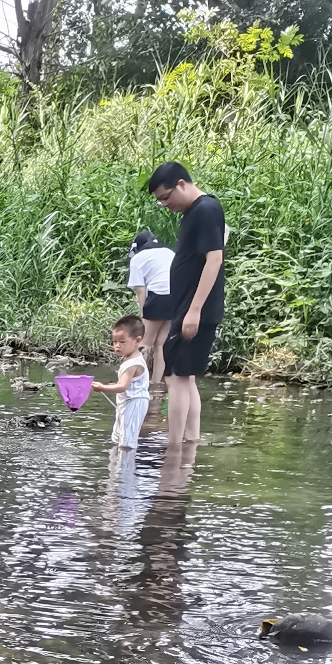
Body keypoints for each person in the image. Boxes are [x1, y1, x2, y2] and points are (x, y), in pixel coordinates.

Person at [146, 162, 226, 449]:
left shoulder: (204, 209)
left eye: (166, 197)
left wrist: (194, 310)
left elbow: (214, 259)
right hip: (187, 308)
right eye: (159, 200)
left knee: (175, 378)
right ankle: (190, 440)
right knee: (185, 377)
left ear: (181, 183)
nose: (164, 204)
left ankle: (175, 445)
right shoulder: (200, 210)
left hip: (195, 310)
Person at [127, 227, 174, 424]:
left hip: (157, 297)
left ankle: (137, 381)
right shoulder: (169, 252)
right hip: (176, 298)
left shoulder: (138, 259)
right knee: (160, 344)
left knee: (144, 344)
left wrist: (143, 315)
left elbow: (140, 291)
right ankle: (156, 386)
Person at [93, 313, 150, 450]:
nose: (117, 346)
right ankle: (115, 468)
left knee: (127, 442)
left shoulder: (133, 363)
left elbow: (123, 386)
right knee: (118, 437)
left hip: (134, 403)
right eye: (114, 341)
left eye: (122, 342)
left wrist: (103, 388)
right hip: (126, 402)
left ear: (137, 341)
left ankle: (125, 469)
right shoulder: (130, 358)